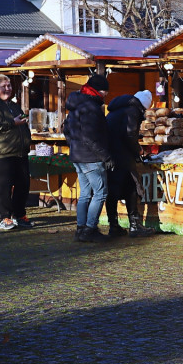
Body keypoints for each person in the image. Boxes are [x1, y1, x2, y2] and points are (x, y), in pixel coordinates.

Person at [63, 73, 113, 243]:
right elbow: (90, 137)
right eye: (105, 91)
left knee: (85, 194)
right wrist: (105, 156)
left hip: (78, 156)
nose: (106, 95)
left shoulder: (76, 104)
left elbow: (66, 130)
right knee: (100, 193)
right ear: (99, 90)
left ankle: (80, 229)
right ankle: (90, 229)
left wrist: (74, 146)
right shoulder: (91, 107)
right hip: (91, 157)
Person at [0, 74, 33, 230]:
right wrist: (12, 122)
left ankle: (19, 215)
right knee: (4, 186)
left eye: (9, 86)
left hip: (20, 152)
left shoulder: (14, 105)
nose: (8, 89)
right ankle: (4, 218)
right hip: (3, 152)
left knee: (23, 185)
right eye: (3, 86)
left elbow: (20, 123)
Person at [104, 90, 155, 238]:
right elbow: (130, 133)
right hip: (123, 154)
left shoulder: (117, 108)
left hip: (110, 153)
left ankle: (113, 226)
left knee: (113, 190)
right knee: (131, 187)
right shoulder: (133, 110)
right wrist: (138, 150)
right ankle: (134, 225)